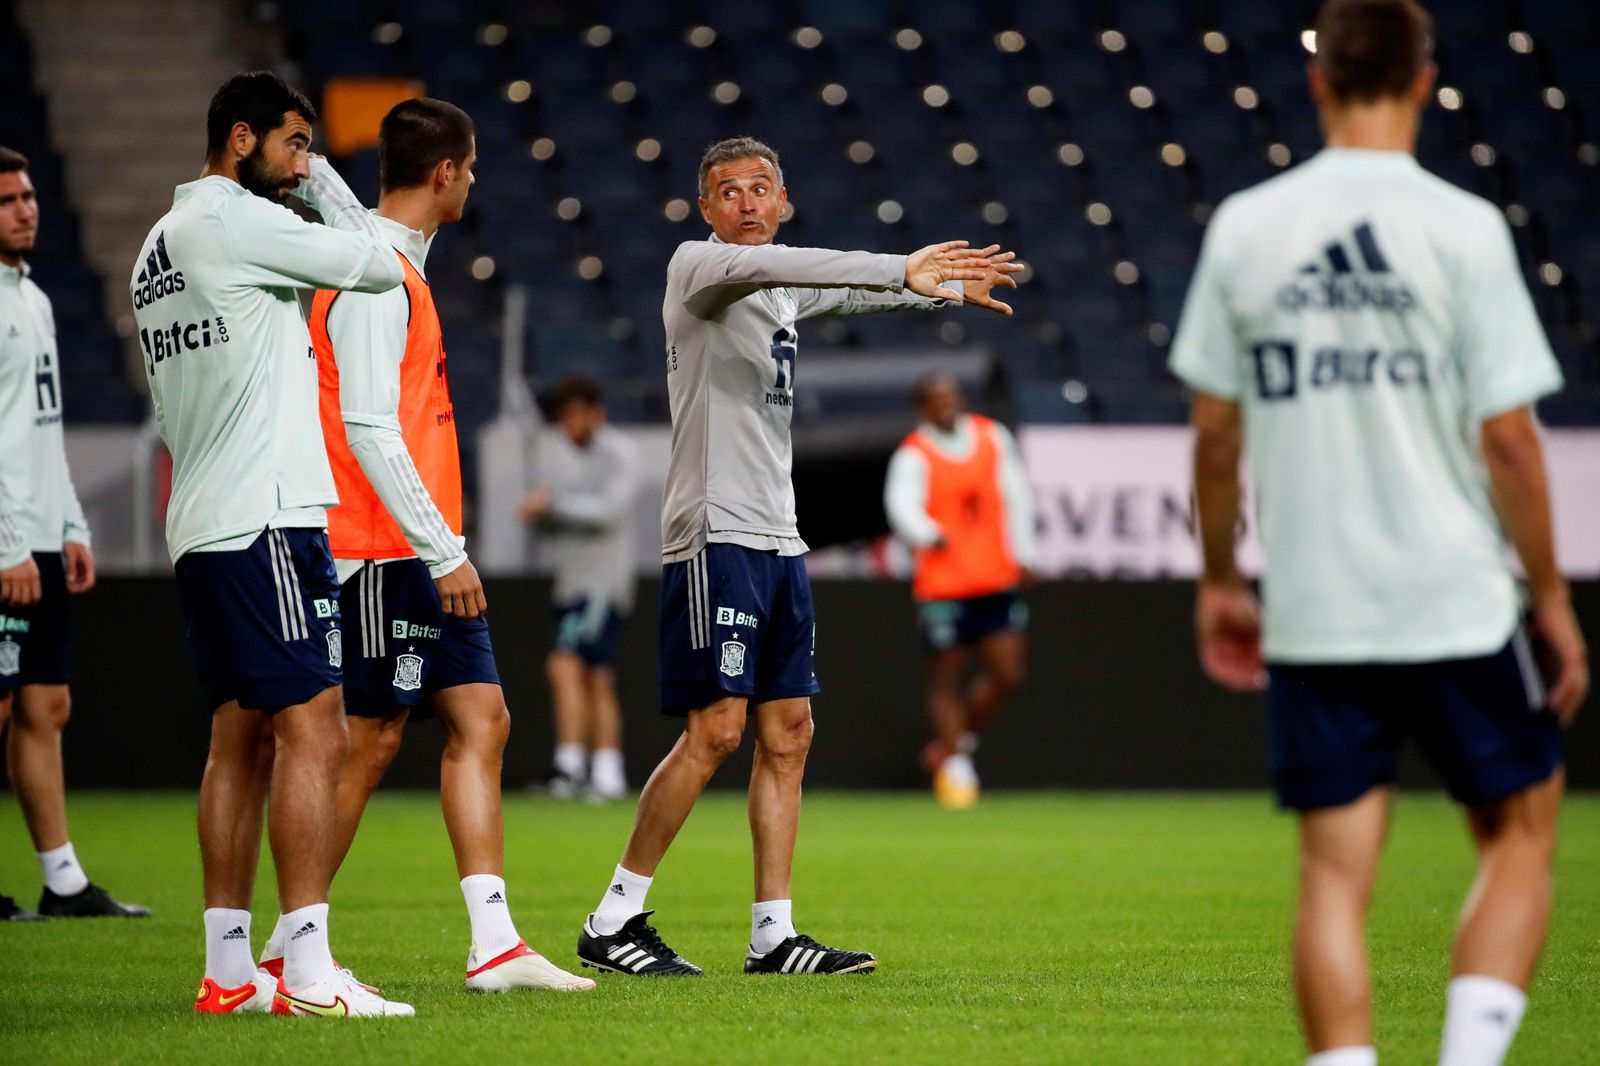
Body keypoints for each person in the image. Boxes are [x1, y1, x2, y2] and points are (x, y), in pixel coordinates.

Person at [1170, 3, 1588, 1064]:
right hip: (1453, 599)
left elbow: (1214, 439)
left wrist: (1221, 577)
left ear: (1316, 85)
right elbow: (1509, 444)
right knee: (1522, 830)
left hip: (1317, 611)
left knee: (1333, 874)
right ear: (1423, 79)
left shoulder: (1245, 226)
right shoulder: (1462, 227)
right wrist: (1549, 597)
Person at [575, 136, 1022, 978]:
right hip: (717, 532)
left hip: (778, 536)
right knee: (716, 730)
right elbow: (830, 270)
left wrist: (933, 292)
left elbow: (839, 290)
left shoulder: (776, 291)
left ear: (783, 202)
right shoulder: (697, 269)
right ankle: (613, 917)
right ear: (704, 210)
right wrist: (901, 266)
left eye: (760, 189)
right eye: (727, 190)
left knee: (789, 731)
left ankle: (772, 935)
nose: (745, 202)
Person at [133, 71, 413, 1017]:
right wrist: (329, 184)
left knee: (238, 736)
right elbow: (383, 265)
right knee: (317, 726)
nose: (302, 164)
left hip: (203, 520)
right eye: (295, 144)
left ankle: (227, 971)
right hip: (268, 515)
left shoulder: (158, 245)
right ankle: (306, 969)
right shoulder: (240, 223)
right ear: (242, 138)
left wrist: (298, 187)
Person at [301, 97, 592, 994]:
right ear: (446, 173)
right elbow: (371, 430)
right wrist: (442, 550)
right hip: (387, 546)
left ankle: (494, 944)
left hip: (417, 542)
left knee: (483, 719)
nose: (472, 180)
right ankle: (293, 941)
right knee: (372, 737)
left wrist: (312, 170)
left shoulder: (384, 255)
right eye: (469, 167)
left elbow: (345, 205)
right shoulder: (378, 277)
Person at [0, 147, 147, 922]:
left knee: (45, 704)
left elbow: (41, 427)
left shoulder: (36, 299)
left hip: (41, 537)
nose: (25, 209)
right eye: (7, 200)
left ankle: (62, 883)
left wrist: (68, 525)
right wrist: (6, 545)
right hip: (4, 543)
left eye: (27, 196)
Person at [883, 373, 1036, 810]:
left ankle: (952, 745)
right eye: (937, 399)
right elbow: (901, 505)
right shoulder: (914, 454)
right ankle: (957, 771)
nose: (948, 404)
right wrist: (927, 532)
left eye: (952, 396)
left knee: (1008, 673)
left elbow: (1016, 494)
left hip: (995, 578)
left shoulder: (992, 437)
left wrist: (1026, 551)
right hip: (943, 586)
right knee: (947, 676)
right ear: (923, 408)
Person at [520, 373, 639, 802]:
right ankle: (606, 773)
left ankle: (572, 767)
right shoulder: (559, 455)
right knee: (595, 676)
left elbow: (609, 512)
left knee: (567, 667)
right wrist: (543, 516)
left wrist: (552, 506)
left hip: (600, 584)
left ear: (594, 413)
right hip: (572, 583)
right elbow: (561, 525)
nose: (568, 425)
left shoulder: (618, 453)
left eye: (574, 414)